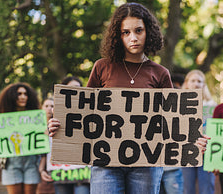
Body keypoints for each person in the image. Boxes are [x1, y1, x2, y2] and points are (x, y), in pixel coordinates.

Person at [47, 3, 209, 194]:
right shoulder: (102, 67)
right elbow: (84, 113)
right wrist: (60, 126)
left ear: (148, 32)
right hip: (105, 162)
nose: (133, 38)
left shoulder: (160, 73)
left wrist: (192, 141)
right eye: (126, 32)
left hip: (146, 164)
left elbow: (172, 121)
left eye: (138, 30)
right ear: (118, 35)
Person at [0, 83, 42, 194]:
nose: (23, 97)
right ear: (11, 96)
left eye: (25, 94)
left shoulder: (36, 119)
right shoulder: (3, 120)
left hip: (31, 161)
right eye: (19, 94)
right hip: (11, 162)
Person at [38, 77, 89, 194]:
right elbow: (47, 148)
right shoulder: (56, 115)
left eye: (78, 88)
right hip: (60, 174)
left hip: (83, 173)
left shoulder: (90, 112)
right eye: (70, 88)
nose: (75, 90)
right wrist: (42, 170)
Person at [181, 70, 216, 194]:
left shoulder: (212, 106)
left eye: (199, 81)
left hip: (206, 153)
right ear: (186, 83)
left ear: (204, 85)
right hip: (185, 152)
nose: (196, 84)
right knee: (186, 189)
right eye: (193, 81)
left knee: (206, 188)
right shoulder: (178, 105)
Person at [37, 98, 56, 194]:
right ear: (41, 108)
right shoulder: (35, 127)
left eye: (52, 106)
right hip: (45, 169)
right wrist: (41, 170)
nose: (49, 109)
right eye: (46, 106)